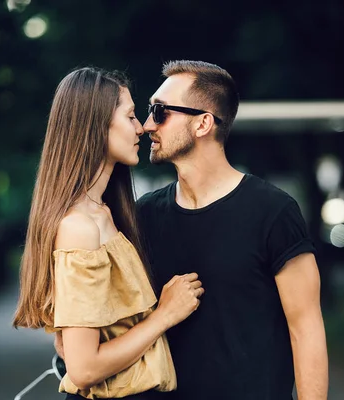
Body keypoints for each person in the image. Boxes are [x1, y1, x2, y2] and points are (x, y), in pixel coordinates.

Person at [135, 60, 329, 399]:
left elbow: (306, 329)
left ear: (203, 124)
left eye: (160, 111)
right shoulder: (145, 215)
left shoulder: (273, 212)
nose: (147, 123)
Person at [12, 66, 204, 400]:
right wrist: (165, 315)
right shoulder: (79, 228)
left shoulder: (105, 214)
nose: (141, 128)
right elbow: (83, 369)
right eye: (130, 116)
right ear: (95, 126)